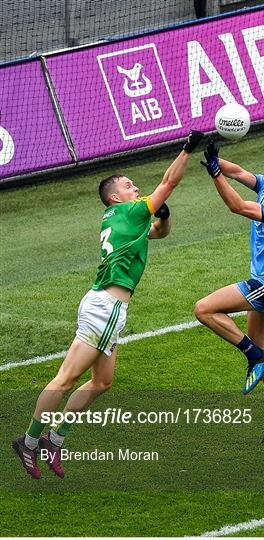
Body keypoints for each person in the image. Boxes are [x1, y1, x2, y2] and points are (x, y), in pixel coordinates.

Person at [12, 130, 205, 479]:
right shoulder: (129, 212)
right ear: (116, 197)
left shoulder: (121, 219)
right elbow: (168, 182)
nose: (136, 189)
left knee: (102, 382)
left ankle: (54, 440)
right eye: (130, 186)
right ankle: (27, 442)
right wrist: (188, 149)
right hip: (106, 308)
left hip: (107, 308)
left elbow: (160, 232)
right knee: (66, 379)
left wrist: (164, 215)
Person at [195, 138, 264, 444]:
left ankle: (254, 357)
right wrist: (217, 160)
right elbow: (239, 172)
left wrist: (215, 174)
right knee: (261, 340)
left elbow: (237, 206)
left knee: (204, 309)